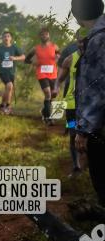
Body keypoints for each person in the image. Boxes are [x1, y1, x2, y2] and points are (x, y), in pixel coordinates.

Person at [72, 0, 105, 207]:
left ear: (77, 16)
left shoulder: (99, 40)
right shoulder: (95, 38)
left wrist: (83, 130)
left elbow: (97, 89)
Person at [57, 40, 83, 175]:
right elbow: (60, 78)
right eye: (80, 41)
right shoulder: (70, 58)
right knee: (73, 133)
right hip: (71, 104)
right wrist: (56, 87)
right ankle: (76, 166)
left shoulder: (98, 56)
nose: (82, 44)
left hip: (91, 105)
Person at [25, 28, 60, 123]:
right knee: (48, 93)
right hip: (41, 73)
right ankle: (48, 118)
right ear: (40, 36)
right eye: (42, 35)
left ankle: (45, 111)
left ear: (49, 35)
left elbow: (59, 56)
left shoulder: (54, 46)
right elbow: (26, 59)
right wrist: (33, 62)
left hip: (53, 74)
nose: (44, 36)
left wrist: (58, 57)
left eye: (46, 34)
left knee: (53, 95)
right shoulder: (35, 48)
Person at [0, 30, 24, 114]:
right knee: (9, 85)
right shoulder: (0, 48)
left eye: (8, 36)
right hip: (2, 71)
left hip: (11, 72)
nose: (6, 38)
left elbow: (23, 57)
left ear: (11, 38)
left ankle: (2, 105)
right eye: (4, 36)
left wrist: (15, 58)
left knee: (8, 89)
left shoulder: (14, 47)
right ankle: (7, 106)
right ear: (2, 38)